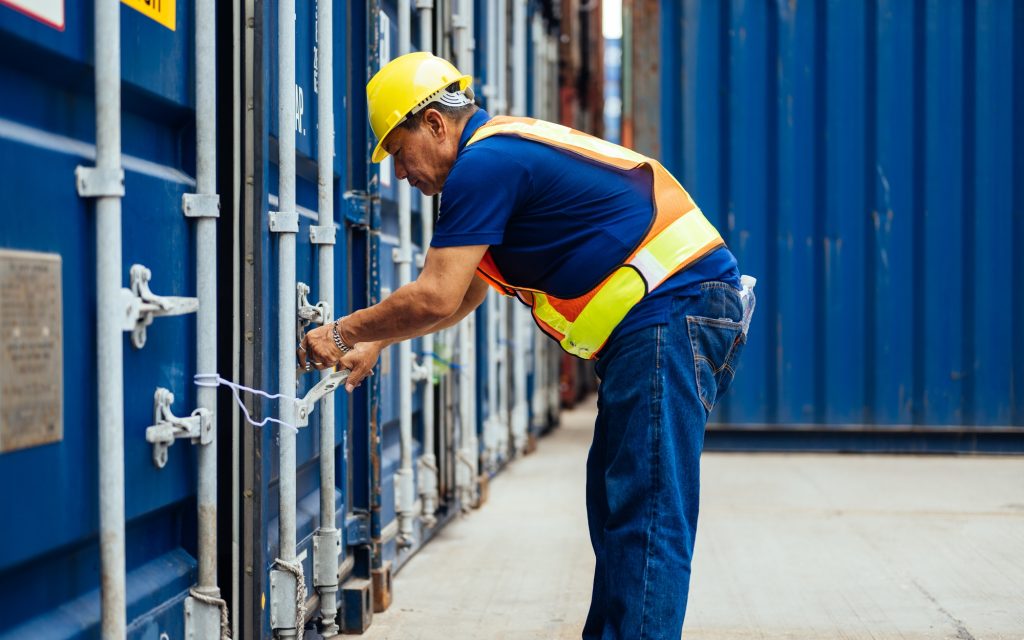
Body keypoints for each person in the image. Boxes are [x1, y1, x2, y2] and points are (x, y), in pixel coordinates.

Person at [299, 52, 755, 640]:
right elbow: (465, 293)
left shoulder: (485, 164)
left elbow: (437, 294)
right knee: (619, 510)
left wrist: (343, 332)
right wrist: (381, 340)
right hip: (662, 323)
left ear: (435, 123)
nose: (398, 173)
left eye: (397, 150)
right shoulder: (497, 157)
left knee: (645, 518)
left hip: (674, 312)